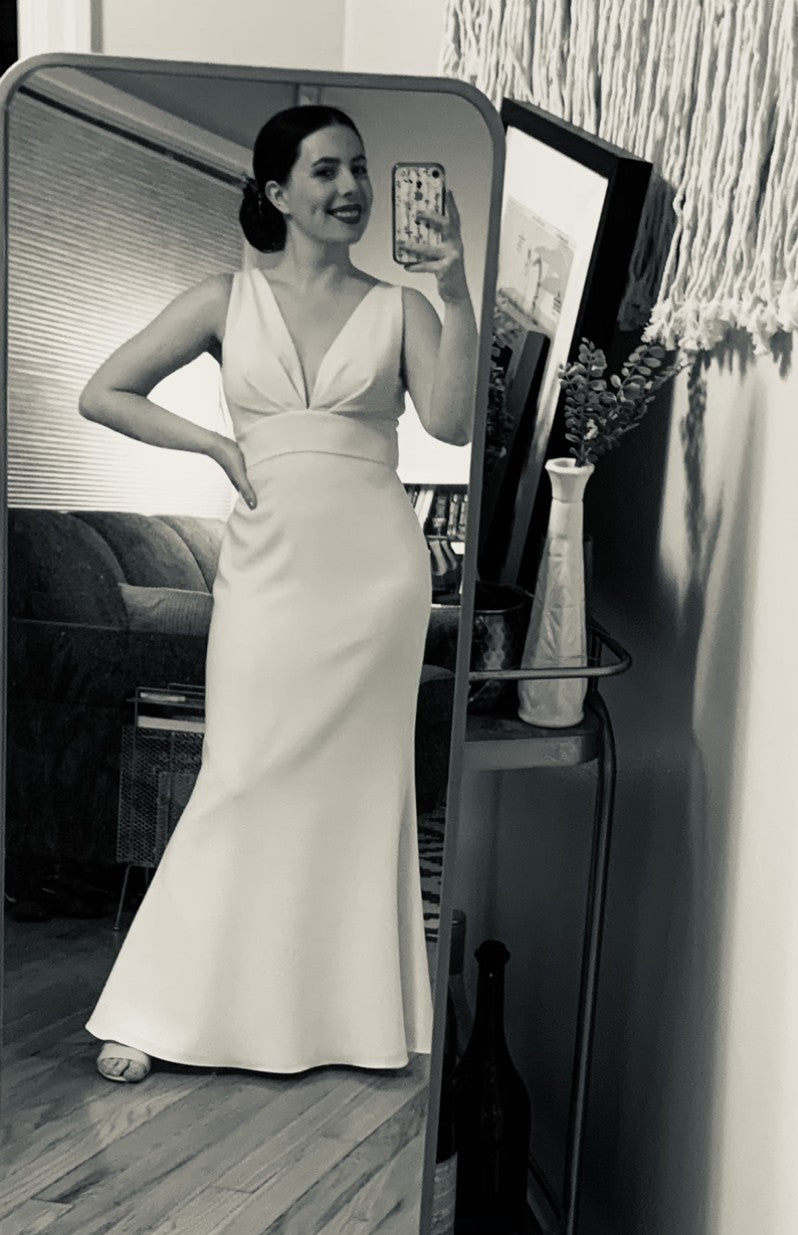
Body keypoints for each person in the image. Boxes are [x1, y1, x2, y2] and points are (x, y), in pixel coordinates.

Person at [80, 105, 478, 1083]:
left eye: (360, 169)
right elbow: (104, 391)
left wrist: (454, 286)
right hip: (267, 569)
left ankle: (343, 1019)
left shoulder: (403, 306)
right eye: (327, 170)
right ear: (277, 191)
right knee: (242, 773)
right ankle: (158, 1006)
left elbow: (451, 420)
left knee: (359, 793)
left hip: (376, 576)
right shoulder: (223, 298)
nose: (352, 188)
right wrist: (215, 444)